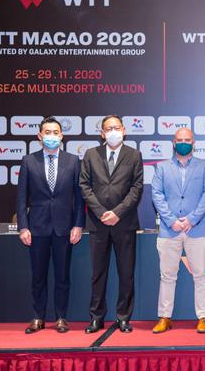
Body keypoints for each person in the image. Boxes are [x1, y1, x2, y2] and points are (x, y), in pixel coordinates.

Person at [16, 116, 85, 334]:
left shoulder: (73, 161)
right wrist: (23, 227)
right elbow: (21, 197)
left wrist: (78, 225)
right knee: (38, 276)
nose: (52, 136)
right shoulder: (29, 161)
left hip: (64, 228)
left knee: (62, 276)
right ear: (40, 136)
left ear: (61, 136)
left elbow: (79, 197)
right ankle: (38, 317)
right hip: (36, 228)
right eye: (47, 132)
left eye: (56, 132)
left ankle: (61, 317)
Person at [80, 115, 143, 333]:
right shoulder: (91, 154)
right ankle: (96, 317)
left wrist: (117, 212)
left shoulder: (134, 155)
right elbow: (85, 186)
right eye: (108, 128)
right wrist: (100, 213)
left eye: (116, 127)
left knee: (126, 273)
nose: (113, 131)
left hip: (124, 223)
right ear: (102, 133)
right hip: (97, 223)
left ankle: (123, 317)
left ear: (124, 130)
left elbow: (136, 188)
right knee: (98, 273)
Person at [151, 128, 205, 334]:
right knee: (167, 275)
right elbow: (157, 195)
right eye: (180, 140)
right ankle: (164, 317)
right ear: (173, 142)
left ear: (193, 143)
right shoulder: (162, 167)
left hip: (197, 228)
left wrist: (191, 219)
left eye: (187, 140)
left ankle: (203, 317)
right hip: (169, 230)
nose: (184, 143)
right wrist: (171, 221)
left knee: (201, 275)